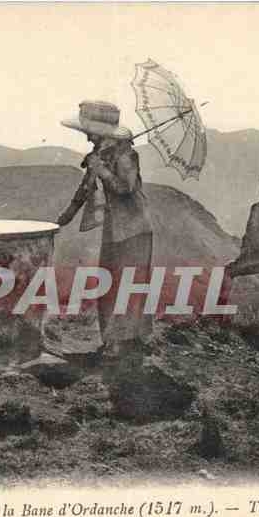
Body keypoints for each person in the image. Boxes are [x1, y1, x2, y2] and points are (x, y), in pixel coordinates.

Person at [56, 100, 154, 357]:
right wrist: (62, 219)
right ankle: (112, 340)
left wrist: (103, 172)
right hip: (114, 228)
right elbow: (85, 188)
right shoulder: (99, 155)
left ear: (100, 132)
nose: (87, 136)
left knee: (126, 284)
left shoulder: (126, 155)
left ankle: (125, 342)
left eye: (89, 131)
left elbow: (127, 189)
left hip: (134, 229)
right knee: (109, 282)